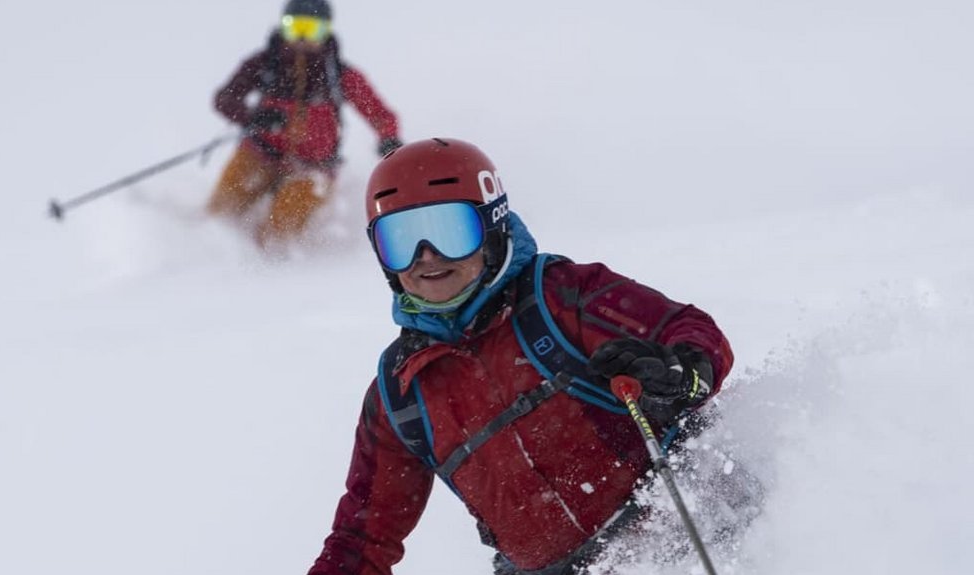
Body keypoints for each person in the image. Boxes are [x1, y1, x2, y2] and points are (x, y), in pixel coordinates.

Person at [306, 138, 737, 575]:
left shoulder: (559, 297)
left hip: (685, 517)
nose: (426, 256)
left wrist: (682, 372)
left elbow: (692, 331)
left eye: (450, 231)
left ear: (491, 225)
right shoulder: (402, 391)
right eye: (400, 241)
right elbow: (362, 539)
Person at [210, 0, 402, 248]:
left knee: (278, 232)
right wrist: (254, 117)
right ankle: (211, 256)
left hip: (314, 168)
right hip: (259, 153)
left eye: (311, 29)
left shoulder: (339, 75)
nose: (302, 38)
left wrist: (388, 136)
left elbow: (378, 112)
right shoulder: (264, 64)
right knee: (219, 214)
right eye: (294, 27)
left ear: (326, 31)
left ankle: (270, 267)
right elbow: (224, 99)